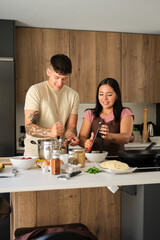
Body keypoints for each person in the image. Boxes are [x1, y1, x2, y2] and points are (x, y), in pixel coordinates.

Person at [24, 54, 79, 156]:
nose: (59, 83)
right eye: (56, 77)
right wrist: (50, 132)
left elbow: (71, 127)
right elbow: (29, 127)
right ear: (48, 71)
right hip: (34, 152)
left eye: (64, 79)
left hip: (58, 151)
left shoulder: (73, 95)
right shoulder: (35, 91)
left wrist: (71, 136)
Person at [79, 78, 134, 156]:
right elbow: (81, 139)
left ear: (117, 96)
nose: (104, 98)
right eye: (101, 94)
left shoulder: (125, 113)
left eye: (109, 95)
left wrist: (108, 136)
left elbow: (126, 138)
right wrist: (86, 142)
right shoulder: (90, 113)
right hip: (94, 162)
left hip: (117, 162)